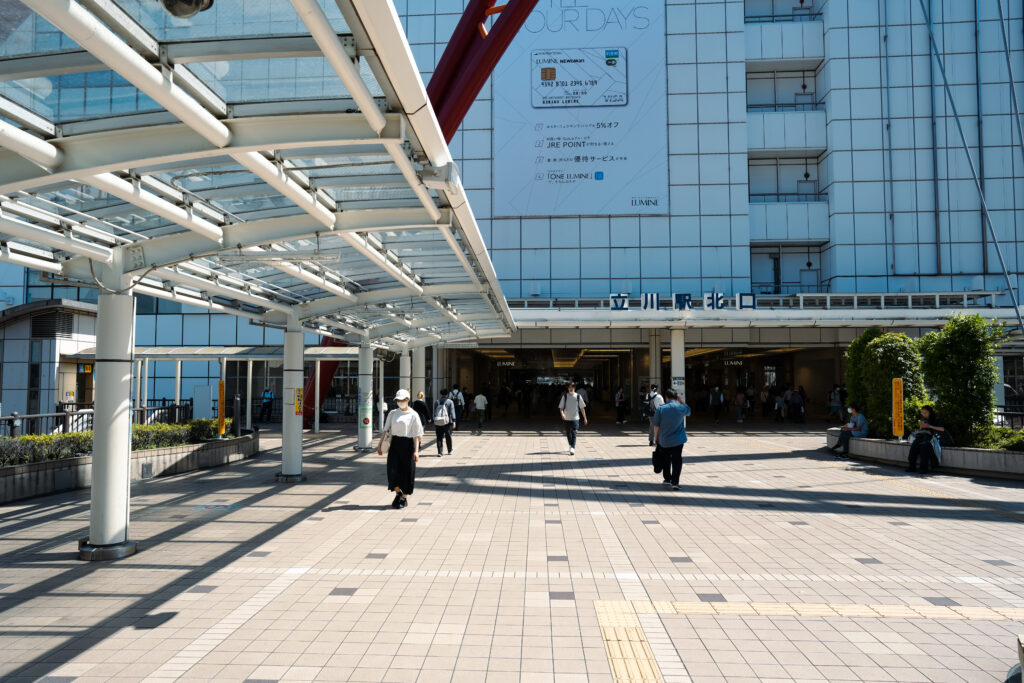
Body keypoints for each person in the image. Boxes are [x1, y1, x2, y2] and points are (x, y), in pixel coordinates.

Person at [377, 389, 424, 509]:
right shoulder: (393, 413)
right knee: (392, 471)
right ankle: (398, 493)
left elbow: (417, 435)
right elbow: (386, 430)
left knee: (408, 472)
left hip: (408, 445)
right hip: (395, 444)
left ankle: (404, 497)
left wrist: (416, 451)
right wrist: (380, 444)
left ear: (408, 400)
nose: (400, 402)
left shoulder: (413, 414)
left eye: (402, 399)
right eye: (398, 400)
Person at [652, 388, 691, 490]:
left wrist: (656, 438)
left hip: (664, 440)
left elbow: (656, 426)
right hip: (678, 440)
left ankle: (667, 479)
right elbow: (689, 410)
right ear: (676, 397)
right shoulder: (681, 407)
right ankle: (675, 482)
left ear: (666, 397)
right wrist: (680, 401)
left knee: (666, 459)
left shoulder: (661, 409)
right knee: (677, 460)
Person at [907, 405, 946, 474]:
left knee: (924, 447)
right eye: (922, 413)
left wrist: (929, 426)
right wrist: (921, 426)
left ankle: (923, 468)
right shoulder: (923, 419)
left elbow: (942, 429)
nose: (923, 414)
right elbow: (922, 429)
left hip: (933, 438)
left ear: (930, 412)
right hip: (923, 436)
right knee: (914, 446)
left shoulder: (936, 419)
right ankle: (911, 466)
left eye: (925, 413)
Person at [558, 382, 588, 455]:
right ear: (568, 388)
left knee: (574, 432)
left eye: (572, 387)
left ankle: (572, 447)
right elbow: (561, 408)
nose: (571, 388)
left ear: (574, 388)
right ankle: (571, 445)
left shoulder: (578, 396)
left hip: (575, 418)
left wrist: (585, 418)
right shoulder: (565, 396)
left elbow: (582, 408)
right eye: (569, 387)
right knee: (568, 433)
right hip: (567, 418)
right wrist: (562, 414)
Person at [433, 388, 456, 456]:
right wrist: (454, 421)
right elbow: (452, 412)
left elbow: (434, 412)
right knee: (448, 436)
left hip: (438, 421)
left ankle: (440, 452)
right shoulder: (450, 402)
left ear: (440, 394)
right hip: (447, 422)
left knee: (439, 436)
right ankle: (449, 450)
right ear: (447, 395)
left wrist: (434, 420)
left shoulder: (437, 402)